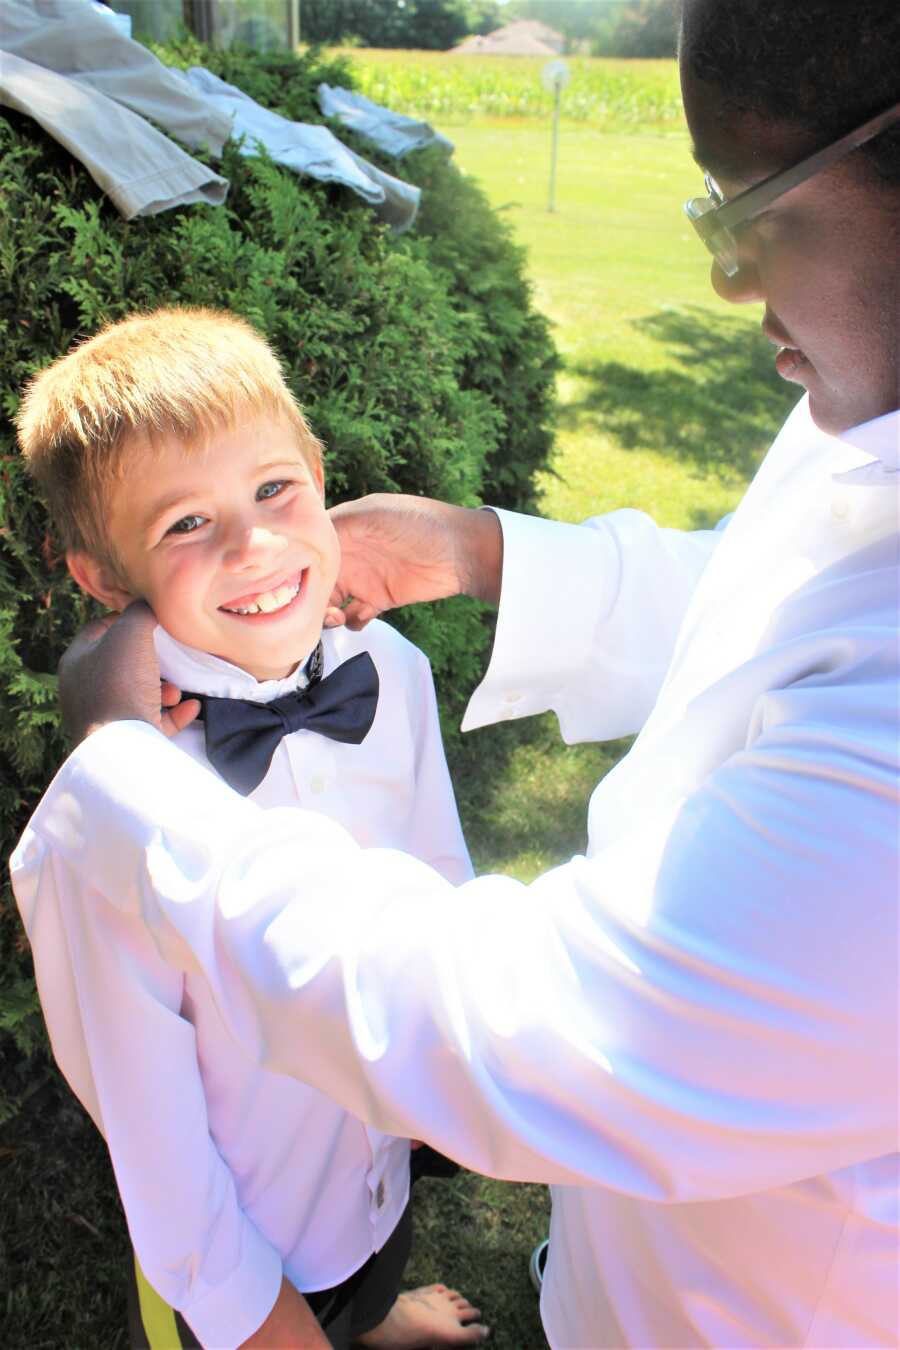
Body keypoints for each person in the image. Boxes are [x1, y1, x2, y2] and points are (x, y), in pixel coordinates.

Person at [11, 1, 900, 1345]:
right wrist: (488, 552)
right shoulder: (866, 411)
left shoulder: (353, 699)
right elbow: (786, 602)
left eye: (751, 206)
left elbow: (551, 1032)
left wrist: (125, 782)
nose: (728, 281)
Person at [10, 308, 488, 1350]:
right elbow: (151, 1133)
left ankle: (374, 1314)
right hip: (254, 1239)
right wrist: (266, 1323)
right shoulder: (110, 823)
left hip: (374, 1152)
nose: (256, 543)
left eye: (276, 489)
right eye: (186, 523)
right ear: (101, 576)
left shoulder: (390, 673)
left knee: (370, 1269)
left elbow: (437, 870)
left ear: (320, 473)